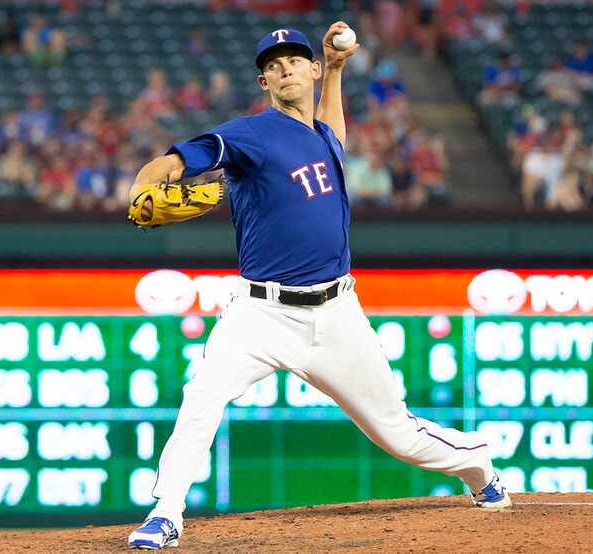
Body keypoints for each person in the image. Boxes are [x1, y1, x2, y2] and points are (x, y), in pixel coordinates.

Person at [126, 23, 511, 550]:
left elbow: (332, 129)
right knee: (203, 396)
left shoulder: (323, 136)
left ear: (308, 70)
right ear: (264, 81)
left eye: (294, 60)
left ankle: (476, 465)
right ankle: (166, 512)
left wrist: (335, 69)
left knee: (396, 433)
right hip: (260, 313)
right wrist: (151, 177)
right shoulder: (250, 134)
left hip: (336, 314)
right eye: (273, 64)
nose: (285, 67)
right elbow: (182, 158)